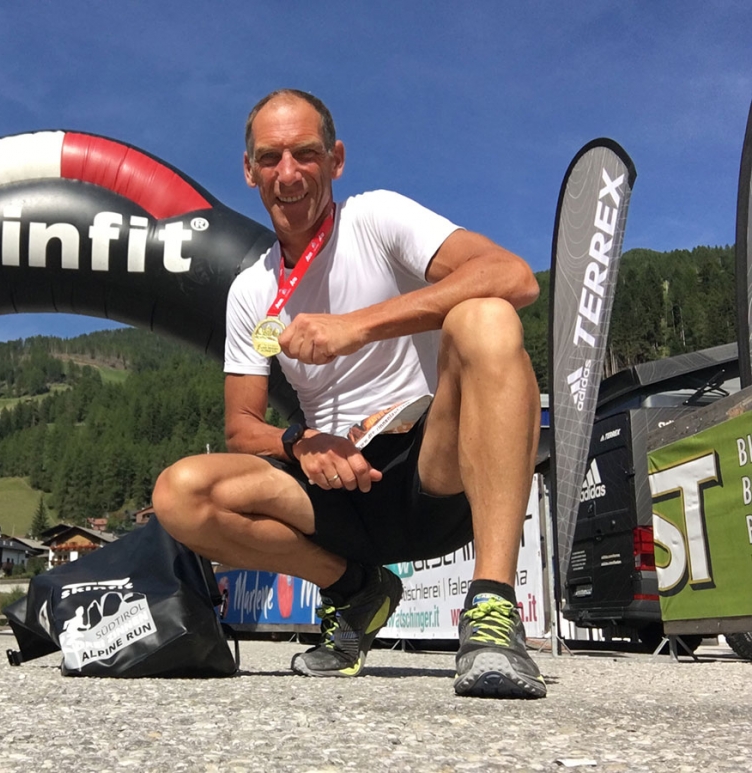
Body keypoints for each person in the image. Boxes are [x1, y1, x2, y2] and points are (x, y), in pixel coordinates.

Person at [152, 89, 545, 699]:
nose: (288, 173)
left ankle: (492, 608)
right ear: (249, 170)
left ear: (335, 159)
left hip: (430, 473)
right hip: (336, 492)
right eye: (270, 157)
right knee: (180, 494)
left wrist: (357, 326)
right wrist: (301, 442)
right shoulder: (250, 290)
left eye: (305, 154)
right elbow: (241, 427)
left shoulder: (376, 217)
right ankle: (356, 590)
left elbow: (513, 276)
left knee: (486, 315)